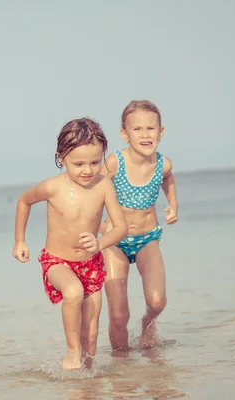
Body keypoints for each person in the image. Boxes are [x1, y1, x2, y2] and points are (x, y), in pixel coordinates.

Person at [12, 117, 128, 370]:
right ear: (61, 158)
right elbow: (24, 201)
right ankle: (71, 350)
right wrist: (19, 240)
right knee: (73, 292)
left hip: (92, 263)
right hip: (58, 262)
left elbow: (121, 228)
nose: (87, 170)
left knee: (92, 334)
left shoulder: (104, 186)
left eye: (95, 162)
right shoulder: (52, 187)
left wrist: (100, 243)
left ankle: (85, 385)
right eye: (78, 164)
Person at [100, 100, 178, 350]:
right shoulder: (114, 162)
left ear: (161, 132)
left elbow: (168, 178)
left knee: (157, 301)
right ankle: (122, 366)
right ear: (124, 134)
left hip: (147, 238)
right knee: (119, 315)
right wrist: (98, 227)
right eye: (137, 129)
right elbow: (94, 191)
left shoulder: (163, 164)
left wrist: (173, 204)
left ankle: (148, 324)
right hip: (114, 242)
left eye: (151, 129)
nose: (145, 134)